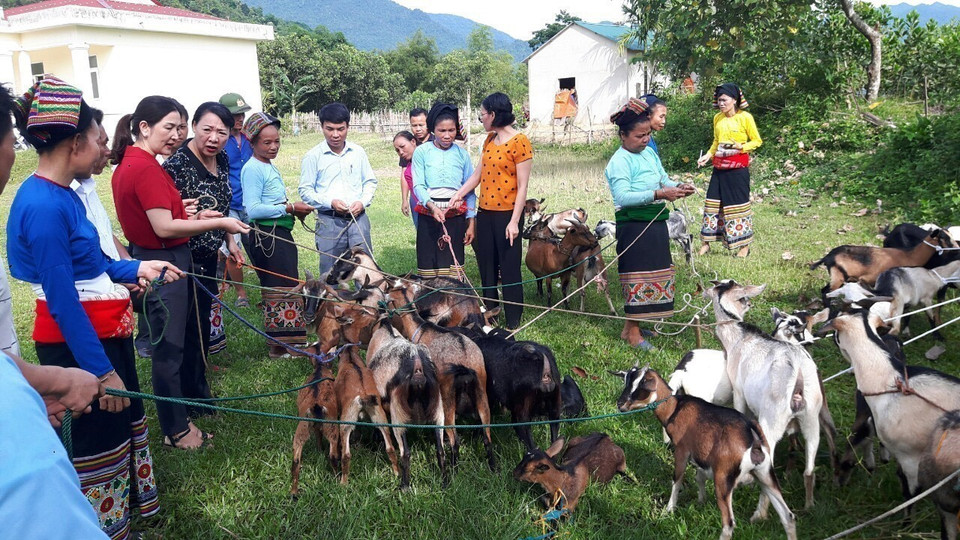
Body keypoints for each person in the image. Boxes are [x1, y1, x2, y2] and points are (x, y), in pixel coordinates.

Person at [6, 77, 182, 539]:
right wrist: (100, 371)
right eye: (98, 139)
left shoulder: (65, 194)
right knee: (96, 438)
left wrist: (139, 267)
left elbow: (96, 264)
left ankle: (120, 520)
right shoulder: (44, 205)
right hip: (80, 346)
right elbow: (63, 300)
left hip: (104, 334)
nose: (105, 148)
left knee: (118, 426)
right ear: (76, 142)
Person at [111, 95, 249, 450]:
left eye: (179, 128)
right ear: (144, 127)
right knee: (169, 351)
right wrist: (218, 222)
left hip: (167, 256)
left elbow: (160, 216)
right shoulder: (145, 167)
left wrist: (193, 215)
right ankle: (176, 430)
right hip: (163, 261)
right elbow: (162, 227)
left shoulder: (141, 162)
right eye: (169, 127)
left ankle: (184, 416)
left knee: (178, 343)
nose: (176, 135)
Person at [604, 97, 695, 350]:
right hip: (634, 227)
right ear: (623, 136)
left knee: (654, 275)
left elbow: (663, 179)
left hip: (655, 224)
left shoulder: (649, 154)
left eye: (647, 134)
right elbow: (623, 197)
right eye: (639, 136)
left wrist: (678, 187)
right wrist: (659, 194)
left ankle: (630, 328)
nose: (645, 140)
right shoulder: (619, 161)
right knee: (637, 278)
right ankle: (633, 334)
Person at [163, 102, 244, 362]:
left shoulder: (222, 158)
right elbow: (165, 219)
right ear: (194, 126)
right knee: (187, 320)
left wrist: (230, 241)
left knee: (204, 312)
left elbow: (222, 206)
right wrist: (192, 216)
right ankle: (189, 375)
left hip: (210, 253)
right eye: (207, 129)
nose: (213, 138)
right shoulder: (175, 166)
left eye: (222, 132)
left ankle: (201, 367)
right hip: (183, 257)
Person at [450, 92, 532, 329]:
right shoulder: (489, 140)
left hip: (508, 215)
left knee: (509, 268)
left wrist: (514, 222)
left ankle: (513, 318)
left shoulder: (520, 142)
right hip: (485, 214)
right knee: (487, 267)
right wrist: (459, 194)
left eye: (482, 114)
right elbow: (478, 174)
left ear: (493, 115)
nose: (481, 119)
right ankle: (490, 314)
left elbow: (523, 186)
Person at [241, 112, 313, 358]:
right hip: (267, 236)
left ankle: (285, 344)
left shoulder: (266, 165)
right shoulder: (253, 169)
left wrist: (291, 211)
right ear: (252, 143)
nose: (273, 147)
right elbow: (253, 210)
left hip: (277, 233)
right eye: (267, 142)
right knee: (279, 288)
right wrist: (289, 208)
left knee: (285, 285)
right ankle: (284, 347)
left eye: (277, 141)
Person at [298, 102, 377, 276]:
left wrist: (362, 202)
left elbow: (370, 182)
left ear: (348, 127)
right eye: (330, 129)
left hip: (358, 220)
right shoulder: (313, 156)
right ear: (322, 127)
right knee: (330, 273)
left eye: (340, 129)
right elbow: (305, 191)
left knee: (365, 271)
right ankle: (332, 295)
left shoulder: (358, 152)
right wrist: (330, 202)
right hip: (329, 221)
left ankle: (365, 295)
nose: (335, 134)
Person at [696, 83, 762, 258]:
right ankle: (706, 243)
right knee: (712, 203)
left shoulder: (745, 117)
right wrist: (707, 156)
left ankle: (744, 247)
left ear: (734, 100)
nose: (721, 103)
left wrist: (742, 147)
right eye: (719, 100)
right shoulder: (717, 118)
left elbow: (757, 141)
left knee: (738, 204)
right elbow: (716, 142)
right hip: (719, 167)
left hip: (738, 169)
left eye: (724, 100)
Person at [411, 103, 476, 279]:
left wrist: (471, 222)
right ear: (432, 130)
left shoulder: (462, 155)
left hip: (455, 217)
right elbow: (418, 185)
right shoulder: (422, 152)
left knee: (453, 267)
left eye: (451, 130)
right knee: (429, 265)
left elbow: (470, 189)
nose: (447, 136)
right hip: (428, 214)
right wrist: (432, 207)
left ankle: (452, 295)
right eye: (442, 131)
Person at [219, 92, 252, 307]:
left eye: (242, 114)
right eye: (235, 115)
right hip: (229, 204)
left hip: (250, 202)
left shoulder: (250, 138)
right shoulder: (219, 141)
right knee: (234, 249)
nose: (240, 118)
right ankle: (241, 294)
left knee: (257, 245)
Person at [394, 131, 419, 227]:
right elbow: (404, 175)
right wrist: (404, 199)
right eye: (397, 150)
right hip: (415, 199)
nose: (401, 152)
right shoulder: (406, 158)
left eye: (403, 146)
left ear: (413, 142)